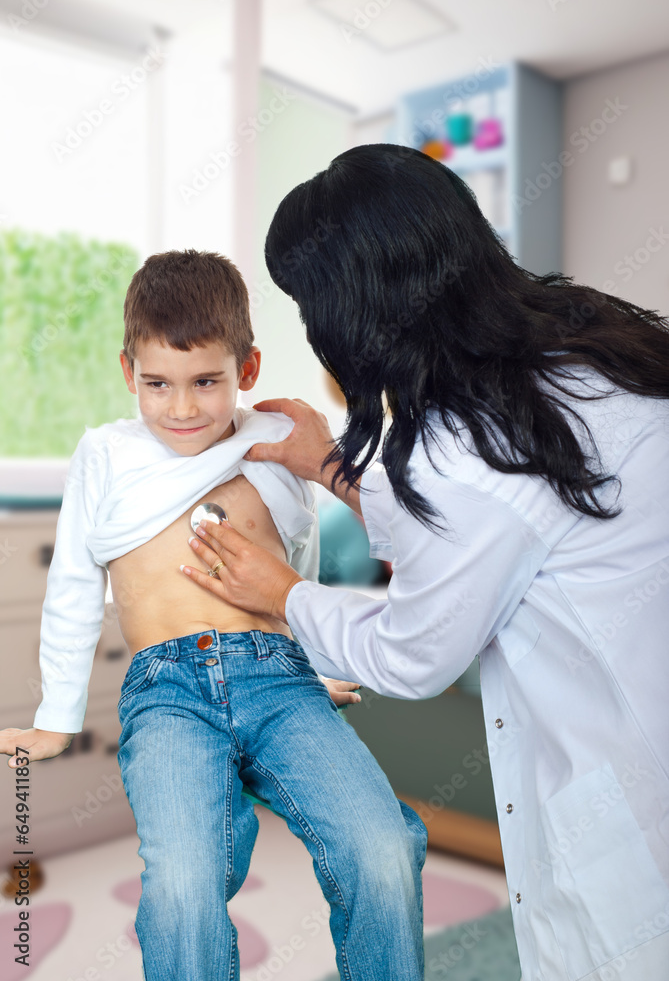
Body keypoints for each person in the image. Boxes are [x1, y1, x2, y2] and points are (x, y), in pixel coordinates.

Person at [182, 145, 669, 981]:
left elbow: (414, 652)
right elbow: (499, 536)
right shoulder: (582, 344)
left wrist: (285, 595)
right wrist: (331, 467)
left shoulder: (463, 448)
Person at [0, 249, 429, 981]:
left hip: (278, 679)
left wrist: (315, 665)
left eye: (207, 382)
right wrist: (58, 716)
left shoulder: (269, 442)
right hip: (166, 693)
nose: (183, 407)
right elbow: (73, 584)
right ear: (128, 372)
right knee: (183, 884)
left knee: (381, 847)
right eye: (158, 384)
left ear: (248, 369)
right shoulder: (105, 452)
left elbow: (297, 563)